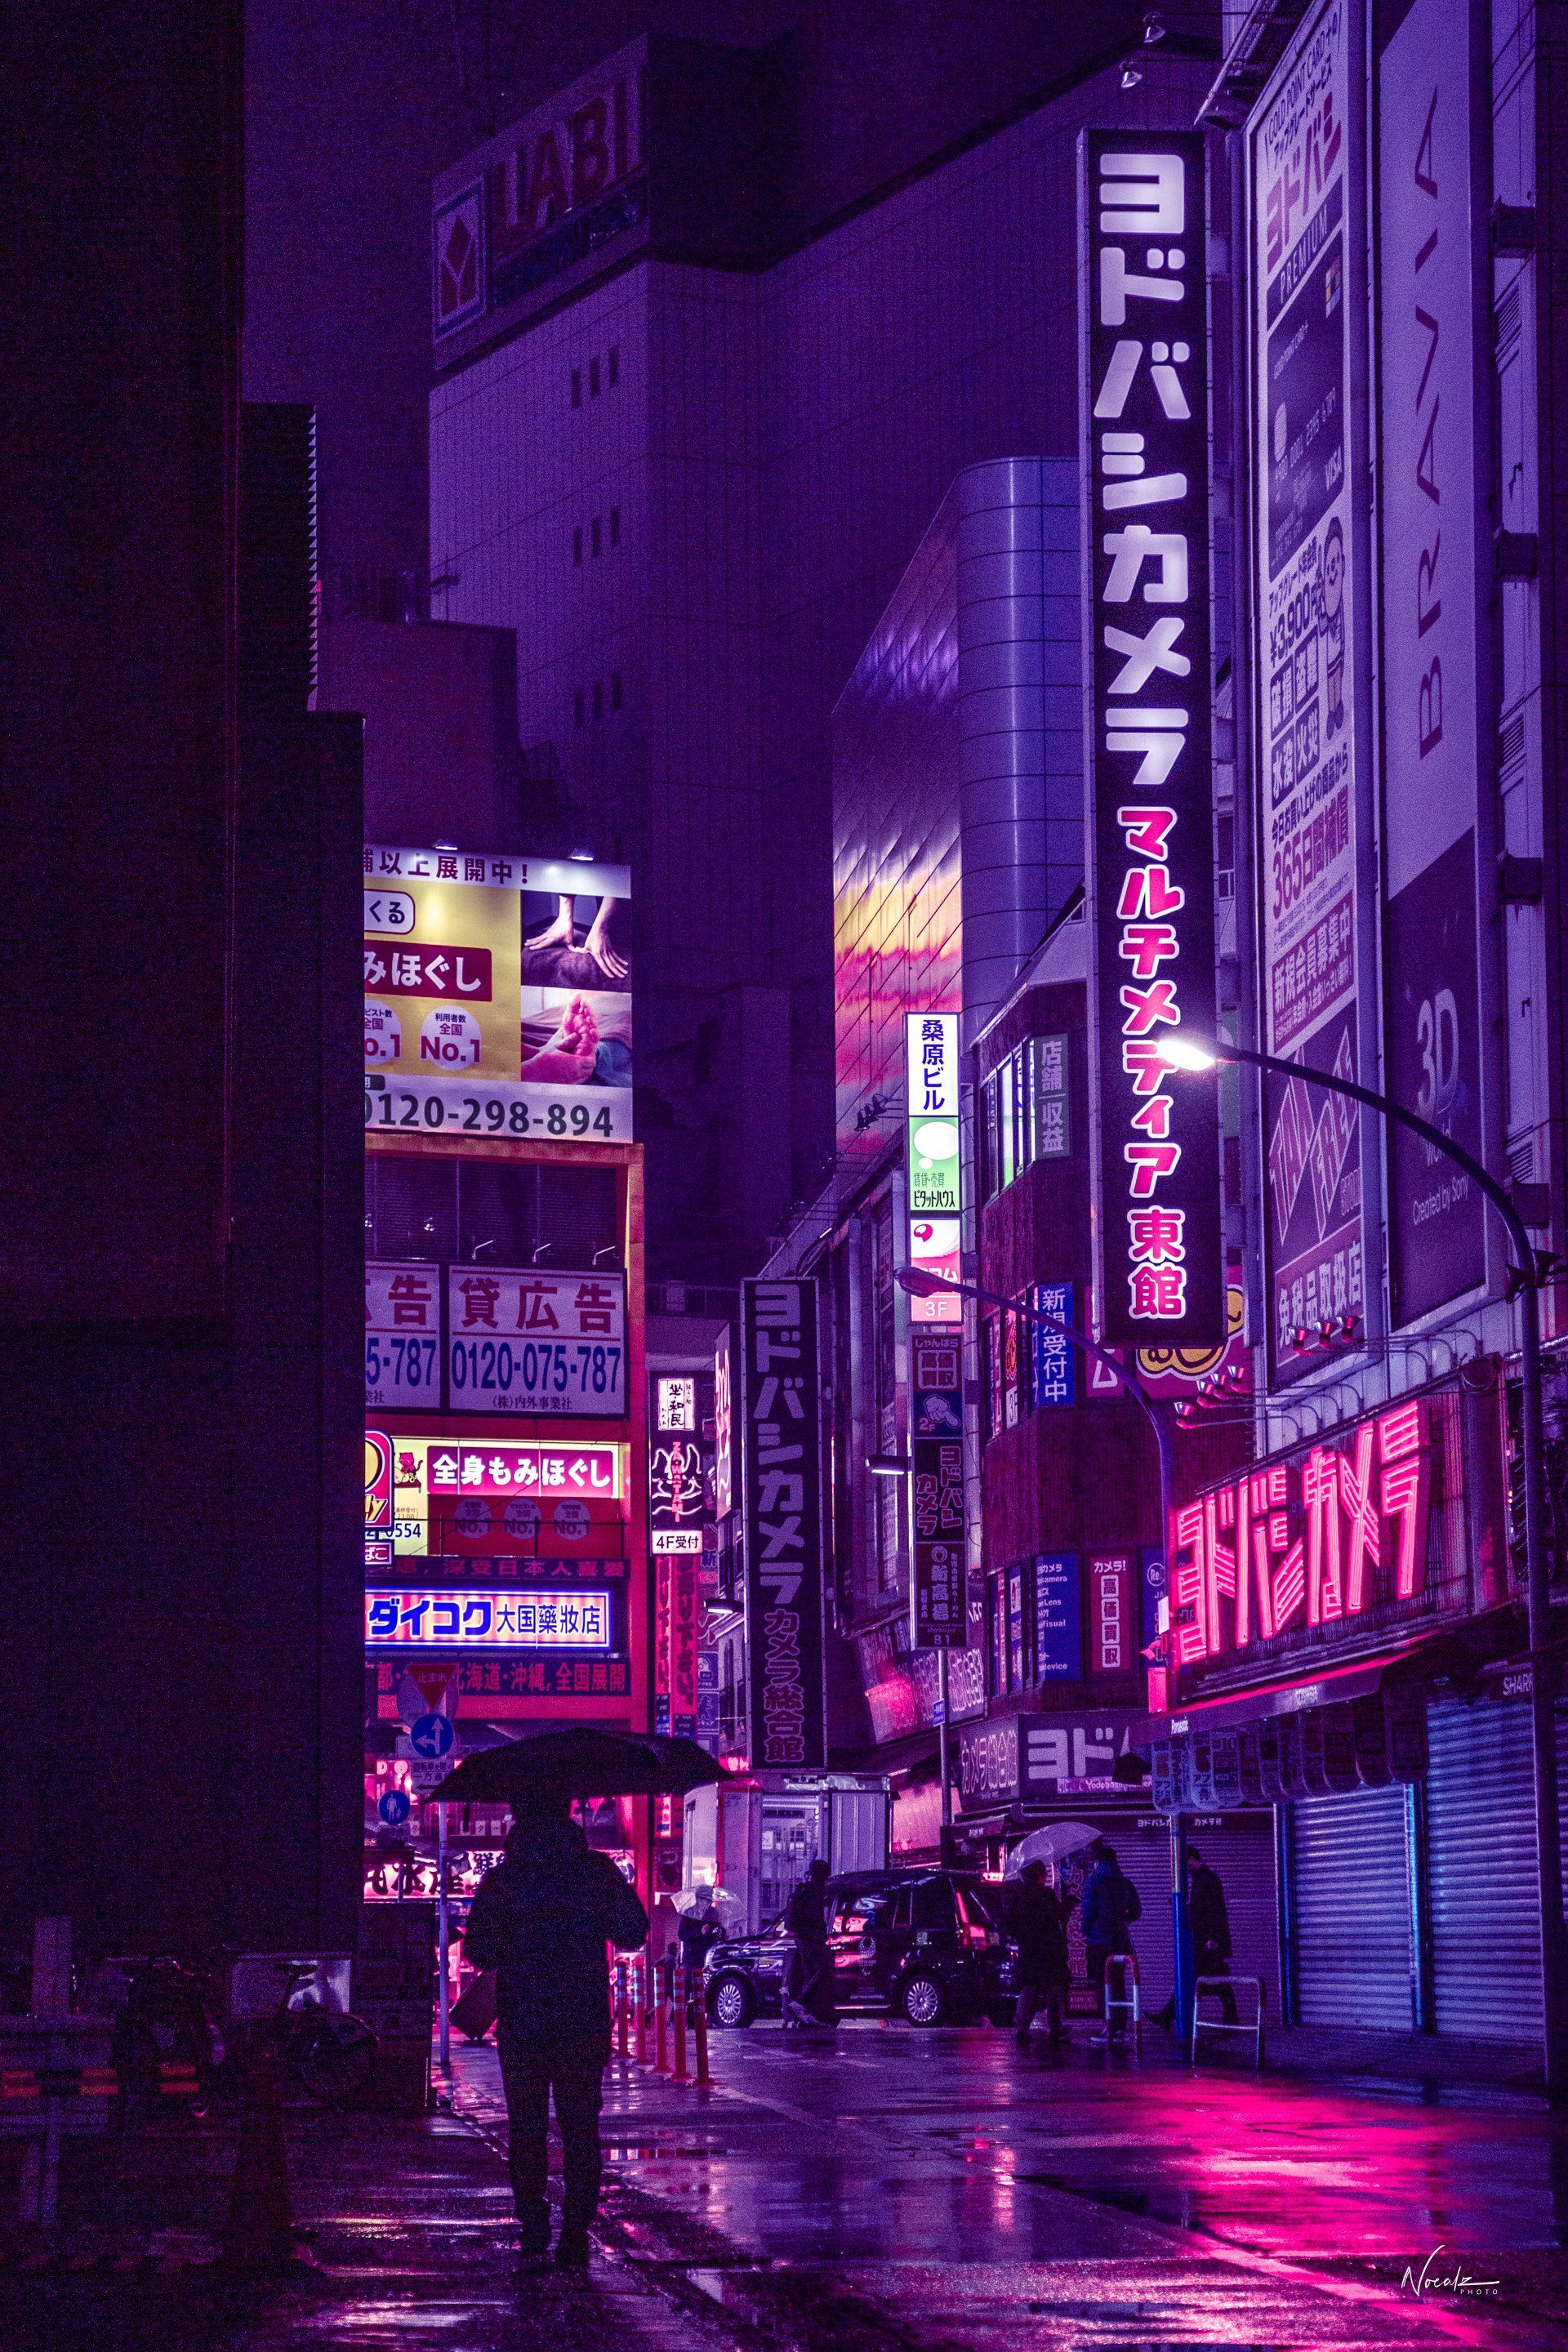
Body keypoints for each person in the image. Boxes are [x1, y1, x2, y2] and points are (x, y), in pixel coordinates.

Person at [461, 1795, 648, 2271]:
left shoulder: (505, 1878)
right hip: (581, 2017)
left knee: (526, 2126)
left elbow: (478, 1951)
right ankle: (575, 2232)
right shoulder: (594, 1872)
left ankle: (533, 2224)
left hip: (523, 2017)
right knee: (581, 2126)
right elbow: (633, 1931)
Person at [1078, 1839, 1141, 2042]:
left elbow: (1088, 1912)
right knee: (1119, 1983)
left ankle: (1108, 2028)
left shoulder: (1093, 1881)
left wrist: (1086, 1932)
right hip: (1121, 1940)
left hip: (1099, 1941)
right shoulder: (1125, 1882)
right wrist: (1122, 1920)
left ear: (1097, 1862)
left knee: (1103, 1983)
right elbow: (1136, 1912)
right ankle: (1120, 2029)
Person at [1005, 1860, 1070, 2046]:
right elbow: (1060, 1915)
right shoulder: (1046, 1895)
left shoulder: (1018, 1897)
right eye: (1043, 1873)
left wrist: (1021, 1936)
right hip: (1050, 1950)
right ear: (1039, 1875)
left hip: (1028, 1950)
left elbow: (1010, 1924)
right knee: (1053, 1989)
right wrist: (1069, 1902)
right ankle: (1055, 2028)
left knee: (1029, 1988)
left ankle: (1022, 2028)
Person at [1187, 1846, 1236, 2024]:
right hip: (1205, 1939)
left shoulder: (1207, 1879)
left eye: (1185, 1863)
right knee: (1213, 1979)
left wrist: (1212, 1939)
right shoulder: (1202, 1878)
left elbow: (1214, 1912)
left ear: (1191, 1859)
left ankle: (1167, 2016)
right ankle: (1231, 2018)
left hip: (1207, 1941)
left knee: (1198, 1978)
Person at [782, 1858, 834, 2029]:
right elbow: (815, 1917)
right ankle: (800, 2003)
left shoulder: (805, 1889)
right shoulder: (816, 1892)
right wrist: (821, 1930)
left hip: (800, 1938)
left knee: (809, 1972)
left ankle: (808, 2014)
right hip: (809, 1938)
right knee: (822, 1969)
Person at [676, 1886, 725, 2014]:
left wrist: (719, 1932)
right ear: (698, 1899)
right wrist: (699, 1932)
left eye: (710, 1901)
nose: (707, 1904)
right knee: (687, 1986)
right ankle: (679, 2016)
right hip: (691, 1958)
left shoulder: (713, 1914)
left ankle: (704, 2016)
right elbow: (682, 1934)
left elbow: (718, 1933)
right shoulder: (689, 1913)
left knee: (706, 1988)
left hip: (707, 1958)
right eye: (705, 1901)